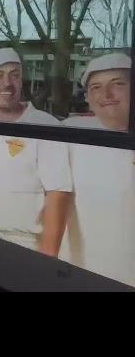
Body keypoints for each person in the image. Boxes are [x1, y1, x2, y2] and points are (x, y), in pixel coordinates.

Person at [0, 47, 73, 256]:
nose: (7, 83)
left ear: (22, 81)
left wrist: (45, 262)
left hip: (27, 245)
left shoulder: (45, 125)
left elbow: (58, 194)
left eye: (14, 75)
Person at [63, 53, 135, 286]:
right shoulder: (67, 132)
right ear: (89, 99)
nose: (107, 96)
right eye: (96, 87)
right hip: (76, 271)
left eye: (118, 84)